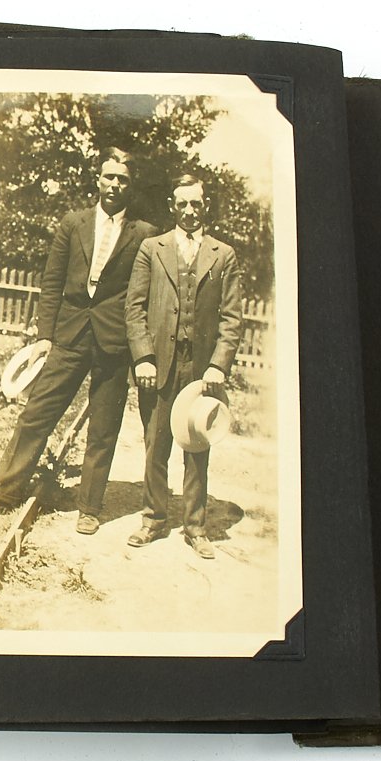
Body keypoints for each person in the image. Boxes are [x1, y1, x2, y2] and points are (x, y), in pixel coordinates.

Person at [0, 147, 158, 534]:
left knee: (103, 428)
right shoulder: (73, 223)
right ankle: (3, 493)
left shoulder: (144, 234)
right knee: (36, 414)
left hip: (114, 342)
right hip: (69, 336)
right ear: (98, 179)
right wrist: (45, 336)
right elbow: (52, 282)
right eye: (109, 177)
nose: (114, 184)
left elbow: (143, 296)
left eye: (122, 179)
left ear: (130, 186)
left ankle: (89, 507)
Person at [124, 173, 243, 559]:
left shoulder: (223, 254)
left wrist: (218, 365)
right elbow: (134, 308)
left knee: (197, 445)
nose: (190, 210)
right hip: (158, 365)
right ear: (172, 207)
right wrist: (143, 357)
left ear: (205, 205)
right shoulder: (151, 248)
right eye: (183, 204)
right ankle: (153, 519)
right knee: (155, 444)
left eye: (196, 203)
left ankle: (195, 527)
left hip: (201, 368)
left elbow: (232, 319)